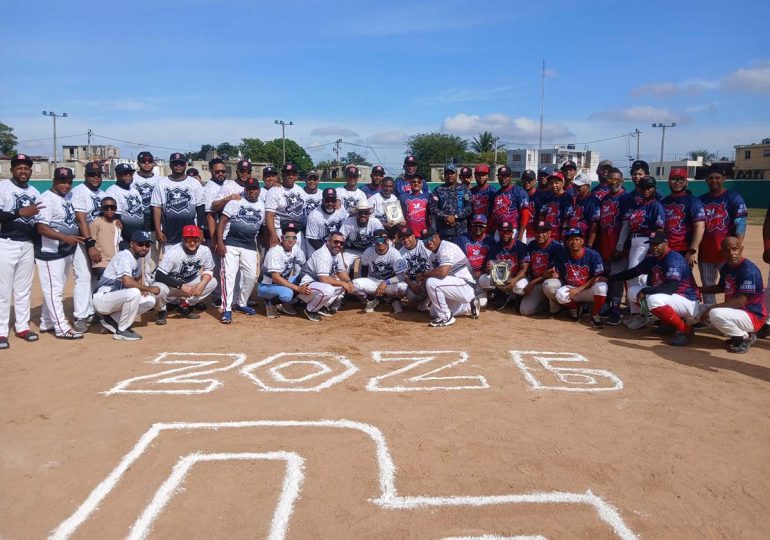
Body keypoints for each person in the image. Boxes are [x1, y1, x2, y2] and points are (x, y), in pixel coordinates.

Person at [608, 230, 702, 344]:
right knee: (633, 292)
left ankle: (685, 330)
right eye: (652, 244)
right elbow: (633, 272)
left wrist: (646, 290)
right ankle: (669, 324)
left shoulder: (673, 259)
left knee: (653, 299)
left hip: (687, 300)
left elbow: (671, 287)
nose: (654, 247)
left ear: (666, 243)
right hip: (672, 297)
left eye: (657, 244)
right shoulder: (653, 258)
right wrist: (609, 278)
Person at [34, 167, 85, 339]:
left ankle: (46, 321)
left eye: (69, 182)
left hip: (64, 251)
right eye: (62, 181)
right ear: (54, 181)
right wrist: (64, 237)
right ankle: (61, 327)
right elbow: (41, 228)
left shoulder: (67, 197)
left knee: (55, 289)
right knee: (54, 291)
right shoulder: (46, 199)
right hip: (50, 252)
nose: (66, 185)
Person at [0, 153, 43, 349]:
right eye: (19, 167)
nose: (23, 171)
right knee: (3, 290)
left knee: (23, 290)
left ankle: (22, 327)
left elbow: (37, 221)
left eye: (26, 168)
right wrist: (19, 212)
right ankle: (2, 332)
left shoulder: (34, 191)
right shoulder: (3, 187)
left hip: (27, 244)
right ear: (12, 170)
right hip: (6, 242)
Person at [700, 237, 766, 354]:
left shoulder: (748, 270)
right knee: (700, 310)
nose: (731, 253)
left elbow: (740, 301)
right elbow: (720, 287)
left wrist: (711, 308)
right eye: (727, 250)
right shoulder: (727, 266)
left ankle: (745, 336)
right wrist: (697, 289)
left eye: (735, 249)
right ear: (722, 253)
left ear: (741, 249)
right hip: (739, 312)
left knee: (714, 313)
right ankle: (737, 335)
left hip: (753, 316)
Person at [614, 175, 665, 329]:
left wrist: (653, 248)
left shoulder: (656, 205)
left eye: (649, 187)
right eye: (643, 187)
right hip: (635, 242)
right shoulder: (638, 205)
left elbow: (659, 229)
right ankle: (637, 314)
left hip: (646, 242)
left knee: (640, 278)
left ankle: (645, 315)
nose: (646, 190)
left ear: (654, 188)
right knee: (632, 279)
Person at [93, 230, 161, 341]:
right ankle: (122, 330)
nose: (144, 248)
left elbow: (138, 277)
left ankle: (111, 320)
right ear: (132, 244)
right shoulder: (124, 256)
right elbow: (127, 282)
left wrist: (143, 289)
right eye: (140, 244)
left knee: (149, 301)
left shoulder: (138, 258)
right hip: (103, 298)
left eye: (147, 245)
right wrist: (149, 288)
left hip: (116, 298)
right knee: (134, 292)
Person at [215, 177, 264, 323]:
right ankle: (226, 309)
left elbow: (261, 228)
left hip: (249, 245)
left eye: (255, 189)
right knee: (229, 276)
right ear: (245, 190)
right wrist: (220, 242)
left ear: (259, 190)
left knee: (251, 276)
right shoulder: (235, 202)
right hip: (231, 242)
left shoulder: (262, 205)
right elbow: (222, 222)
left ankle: (241, 303)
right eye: (249, 189)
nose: (252, 191)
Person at [698, 165, 748, 304]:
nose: (714, 180)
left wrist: (737, 247)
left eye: (718, 177)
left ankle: (732, 312)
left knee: (731, 285)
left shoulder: (733, 197)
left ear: (724, 178)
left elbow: (741, 222)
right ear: (706, 179)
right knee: (708, 286)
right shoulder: (700, 200)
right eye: (711, 178)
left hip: (727, 253)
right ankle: (709, 313)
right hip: (706, 252)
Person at [70, 160, 107, 332]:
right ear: (85, 175)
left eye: (98, 175)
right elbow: (81, 219)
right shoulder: (79, 192)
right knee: (83, 278)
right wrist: (90, 244)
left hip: (99, 241)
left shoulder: (102, 193)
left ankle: (92, 311)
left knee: (96, 277)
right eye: (92, 175)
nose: (96, 177)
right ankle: (80, 316)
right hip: (83, 241)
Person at [152, 225, 216, 323]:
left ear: (199, 239)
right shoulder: (173, 252)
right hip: (170, 286)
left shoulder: (204, 250)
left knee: (212, 282)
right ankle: (161, 311)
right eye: (189, 240)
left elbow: (209, 269)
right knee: (158, 290)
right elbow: (159, 275)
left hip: (189, 283)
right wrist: (181, 286)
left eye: (195, 239)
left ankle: (186, 306)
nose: (192, 243)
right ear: (183, 240)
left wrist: (202, 284)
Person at [417, 227, 479, 327]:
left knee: (431, 282)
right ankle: (468, 306)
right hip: (454, 287)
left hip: (466, 285)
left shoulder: (446, 247)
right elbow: (436, 277)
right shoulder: (432, 256)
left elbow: (442, 272)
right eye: (425, 240)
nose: (428, 242)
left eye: (431, 238)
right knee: (433, 313)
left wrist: (424, 274)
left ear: (437, 236)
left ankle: (446, 317)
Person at [596, 168, 633, 325]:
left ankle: (616, 308)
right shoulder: (604, 199)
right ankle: (607, 304)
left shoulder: (626, 198)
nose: (614, 182)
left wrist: (620, 246)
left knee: (617, 277)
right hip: (605, 244)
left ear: (622, 181)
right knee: (607, 275)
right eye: (611, 179)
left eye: (617, 179)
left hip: (619, 246)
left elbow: (626, 225)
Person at [553, 228, 608, 326]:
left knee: (602, 286)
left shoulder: (593, 255)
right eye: (570, 239)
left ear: (582, 241)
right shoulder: (562, 256)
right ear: (567, 243)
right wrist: (554, 274)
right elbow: (557, 272)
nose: (574, 242)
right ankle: (575, 308)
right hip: (572, 289)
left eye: (577, 239)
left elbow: (597, 276)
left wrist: (579, 289)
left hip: (589, 289)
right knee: (560, 295)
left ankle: (595, 314)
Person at [151, 152, 205, 248]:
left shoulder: (194, 183)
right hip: (169, 233)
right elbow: (156, 208)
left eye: (181, 163)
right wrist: (158, 231)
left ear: (186, 165)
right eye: (175, 163)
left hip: (191, 233)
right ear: (170, 165)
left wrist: (200, 230)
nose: (178, 166)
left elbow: (200, 208)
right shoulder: (161, 183)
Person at [298, 231, 355, 321]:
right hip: (304, 286)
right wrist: (343, 283)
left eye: (341, 243)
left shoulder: (337, 253)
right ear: (328, 241)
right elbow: (324, 279)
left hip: (316, 285)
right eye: (336, 242)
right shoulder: (323, 254)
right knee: (328, 290)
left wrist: (349, 282)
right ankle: (310, 310)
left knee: (342, 286)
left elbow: (341, 271)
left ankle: (321, 306)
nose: (338, 245)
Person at [258, 222, 310, 318]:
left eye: (294, 238)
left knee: (306, 281)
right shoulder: (275, 252)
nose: (291, 240)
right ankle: (270, 303)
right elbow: (276, 278)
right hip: (267, 286)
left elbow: (305, 266)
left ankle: (284, 303)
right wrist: (298, 288)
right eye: (288, 237)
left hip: (283, 283)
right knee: (287, 294)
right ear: (282, 238)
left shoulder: (296, 249)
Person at [352, 229, 408, 314]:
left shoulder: (394, 253)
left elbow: (401, 276)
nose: (380, 243)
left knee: (403, 288)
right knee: (354, 285)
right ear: (373, 241)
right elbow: (364, 269)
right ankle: (371, 300)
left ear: (388, 240)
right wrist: (368, 290)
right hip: (374, 282)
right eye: (377, 240)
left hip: (389, 284)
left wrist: (386, 282)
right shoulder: (368, 251)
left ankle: (396, 300)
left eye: (383, 240)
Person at [478, 221, 530, 311]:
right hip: (501, 277)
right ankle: (503, 293)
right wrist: (488, 268)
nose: (505, 234)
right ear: (499, 233)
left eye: (508, 232)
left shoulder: (521, 246)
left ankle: (516, 297)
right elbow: (490, 267)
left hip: (516, 277)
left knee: (520, 287)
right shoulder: (495, 247)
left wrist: (514, 279)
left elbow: (524, 269)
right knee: (483, 279)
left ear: (512, 233)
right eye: (502, 232)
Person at [662, 166, 705, 266]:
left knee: (683, 275)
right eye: (674, 179)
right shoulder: (663, 202)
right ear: (668, 182)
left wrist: (693, 250)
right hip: (666, 249)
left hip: (684, 249)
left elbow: (700, 226)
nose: (677, 183)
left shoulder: (693, 201)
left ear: (686, 182)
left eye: (681, 180)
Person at [521, 221, 564, 316]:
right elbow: (526, 264)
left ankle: (556, 308)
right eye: (537, 232)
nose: (540, 235)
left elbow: (551, 274)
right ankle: (546, 303)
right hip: (537, 282)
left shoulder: (556, 247)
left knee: (548, 286)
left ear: (549, 233)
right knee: (525, 310)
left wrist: (532, 282)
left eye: (543, 232)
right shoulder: (532, 244)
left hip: (550, 281)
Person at [454, 214, 496, 308]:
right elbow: (455, 259)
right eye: (475, 225)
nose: (478, 227)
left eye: (481, 225)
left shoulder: (490, 240)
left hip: (482, 276)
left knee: (482, 304)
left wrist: (482, 271)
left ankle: (485, 291)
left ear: (486, 226)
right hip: (466, 276)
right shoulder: (461, 239)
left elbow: (491, 261)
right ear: (471, 225)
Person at [265, 162, 306, 248]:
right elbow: (269, 216)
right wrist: (273, 235)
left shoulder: (300, 190)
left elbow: (304, 213)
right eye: (287, 174)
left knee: (300, 255)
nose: (290, 176)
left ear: (296, 176)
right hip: (281, 231)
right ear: (282, 175)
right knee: (279, 255)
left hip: (298, 232)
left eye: (293, 174)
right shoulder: (274, 191)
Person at [428, 165, 472, 243]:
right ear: (444, 175)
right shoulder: (438, 190)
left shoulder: (464, 189)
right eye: (447, 173)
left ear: (456, 174)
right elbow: (432, 207)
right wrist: (445, 217)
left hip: (461, 232)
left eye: (452, 173)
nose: (450, 175)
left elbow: (469, 208)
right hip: (443, 232)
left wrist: (455, 216)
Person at [105, 163, 144, 248]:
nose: (128, 176)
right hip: (124, 238)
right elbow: (115, 218)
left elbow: (140, 212)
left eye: (130, 174)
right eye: (125, 174)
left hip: (137, 237)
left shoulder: (134, 191)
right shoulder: (112, 192)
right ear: (117, 176)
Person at [339, 199, 385, 271]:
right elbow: (340, 239)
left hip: (370, 250)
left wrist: (379, 251)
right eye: (360, 212)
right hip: (351, 250)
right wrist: (340, 258)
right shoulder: (349, 221)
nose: (363, 215)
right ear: (356, 213)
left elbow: (382, 238)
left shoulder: (375, 222)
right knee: (342, 265)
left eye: (366, 213)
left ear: (369, 213)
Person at [490, 166, 530, 241]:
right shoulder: (497, 194)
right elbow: (494, 215)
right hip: (499, 230)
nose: (503, 178)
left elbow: (525, 213)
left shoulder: (519, 191)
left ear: (511, 177)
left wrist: (520, 235)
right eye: (501, 176)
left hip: (514, 230)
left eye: (506, 176)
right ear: (498, 177)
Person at [397, 226, 432, 311]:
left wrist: (425, 276)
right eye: (403, 238)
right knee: (402, 289)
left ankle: (430, 299)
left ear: (413, 236)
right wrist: (411, 284)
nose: (406, 240)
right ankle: (423, 300)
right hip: (414, 281)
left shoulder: (424, 244)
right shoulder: (400, 253)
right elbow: (401, 273)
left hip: (428, 277)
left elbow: (434, 262)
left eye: (408, 237)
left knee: (431, 282)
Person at [305, 187, 347, 257]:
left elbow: (347, 228)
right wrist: (329, 253)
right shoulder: (314, 215)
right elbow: (313, 240)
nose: (330, 203)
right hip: (316, 250)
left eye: (333, 201)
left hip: (334, 248)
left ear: (336, 201)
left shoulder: (341, 210)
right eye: (327, 201)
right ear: (322, 201)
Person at [89, 197, 120, 279]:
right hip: (101, 262)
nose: (109, 210)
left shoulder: (117, 224)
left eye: (112, 207)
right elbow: (91, 242)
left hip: (115, 262)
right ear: (101, 209)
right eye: (106, 208)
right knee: (104, 284)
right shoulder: (96, 223)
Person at [565, 173, 600, 247]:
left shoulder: (593, 201)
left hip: (583, 240)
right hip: (572, 237)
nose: (576, 188)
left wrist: (590, 244)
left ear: (587, 186)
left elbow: (594, 225)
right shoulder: (575, 198)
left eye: (579, 186)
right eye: (574, 186)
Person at [540, 171, 573, 242]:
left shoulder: (567, 197)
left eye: (556, 183)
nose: (554, 185)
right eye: (551, 183)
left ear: (562, 184)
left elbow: (567, 219)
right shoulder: (549, 197)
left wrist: (563, 237)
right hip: (547, 233)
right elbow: (542, 214)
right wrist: (541, 229)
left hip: (558, 235)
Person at [402, 173, 432, 238]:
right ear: (410, 183)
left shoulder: (428, 196)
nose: (416, 183)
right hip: (409, 234)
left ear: (422, 183)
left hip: (425, 233)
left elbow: (432, 213)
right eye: (414, 182)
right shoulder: (403, 197)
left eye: (419, 182)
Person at [519, 169, 539, 240]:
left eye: (529, 180)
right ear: (521, 181)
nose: (527, 182)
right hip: (519, 232)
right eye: (525, 179)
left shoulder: (540, 195)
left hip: (535, 233)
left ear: (535, 181)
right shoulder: (518, 194)